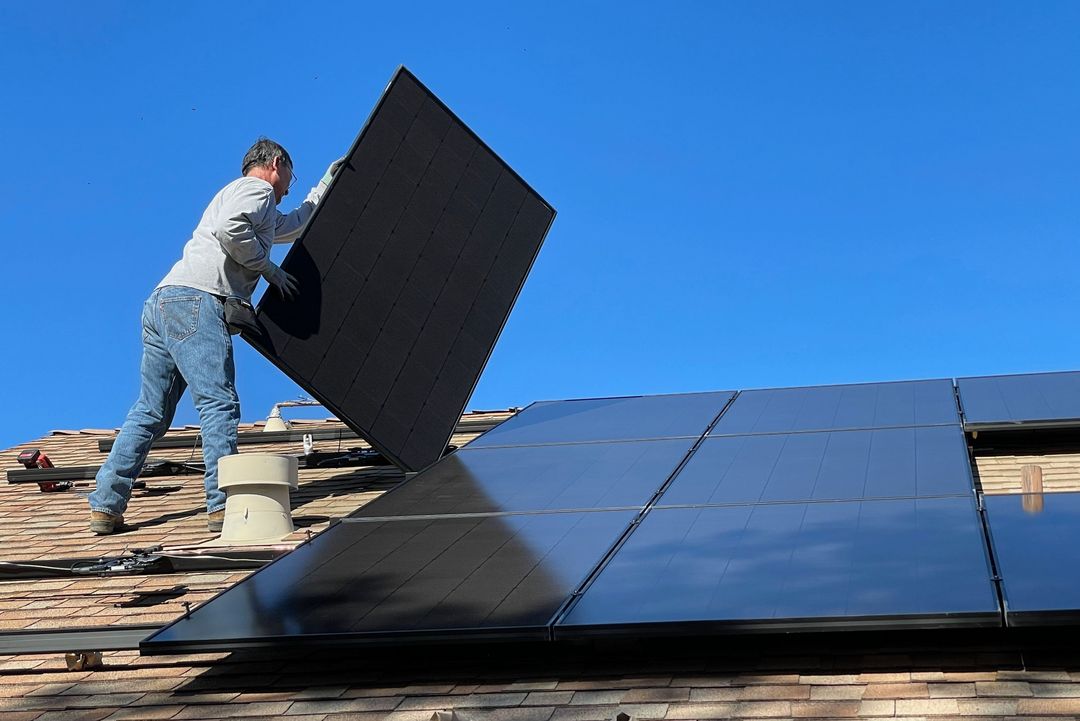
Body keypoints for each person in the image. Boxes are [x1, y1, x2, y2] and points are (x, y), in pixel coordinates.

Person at [88, 138, 344, 535]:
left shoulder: (244, 198)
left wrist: (326, 184)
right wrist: (268, 270)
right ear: (277, 163)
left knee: (150, 412)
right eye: (293, 174)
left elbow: (292, 226)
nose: (291, 184)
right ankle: (222, 506)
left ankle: (106, 504)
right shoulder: (256, 190)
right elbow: (231, 230)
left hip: (163, 302)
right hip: (197, 300)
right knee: (218, 402)